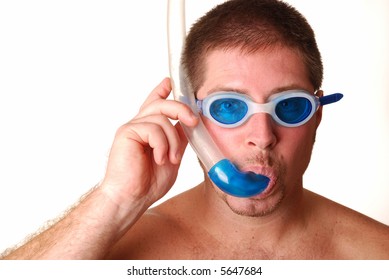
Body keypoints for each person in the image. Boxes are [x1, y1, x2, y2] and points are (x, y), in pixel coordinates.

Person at [2, 0, 389, 260]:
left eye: (289, 107)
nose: (262, 135)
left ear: (316, 114)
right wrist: (115, 201)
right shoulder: (110, 251)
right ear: (190, 117)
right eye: (229, 107)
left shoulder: (376, 254)